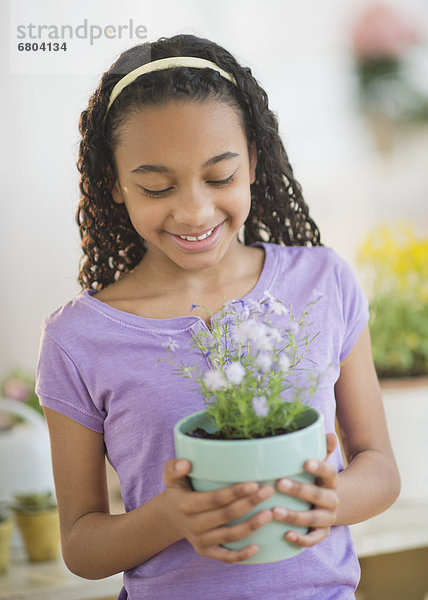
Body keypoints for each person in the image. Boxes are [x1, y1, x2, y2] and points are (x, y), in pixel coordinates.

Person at [35, 33, 400, 599]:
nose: (194, 210)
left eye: (220, 177)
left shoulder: (322, 282)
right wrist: (170, 518)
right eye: (156, 186)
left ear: (253, 160)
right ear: (113, 181)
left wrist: (329, 500)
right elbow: (81, 546)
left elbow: (379, 466)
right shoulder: (77, 340)